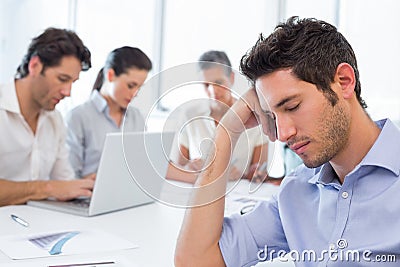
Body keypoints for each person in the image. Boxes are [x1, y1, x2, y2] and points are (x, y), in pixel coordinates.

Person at [175, 16, 400, 266]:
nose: (282, 134)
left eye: (292, 106)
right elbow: (195, 260)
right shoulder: (296, 192)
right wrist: (227, 131)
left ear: (344, 82)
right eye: (272, 116)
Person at [0, 27, 94, 206]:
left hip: (38, 226)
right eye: (62, 79)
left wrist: (84, 186)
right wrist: (47, 188)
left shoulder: (55, 120)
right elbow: (52, 187)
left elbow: (63, 183)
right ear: (35, 66)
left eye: (72, 82)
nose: (68, 92)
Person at [166, 50, 271, 184]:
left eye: (218, 82)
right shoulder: (189, 115)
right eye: (206, 84)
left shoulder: (254, 116)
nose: (212, 91)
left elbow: (258, 173)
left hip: (237, 191)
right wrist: (189, 169)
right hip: (200, 191)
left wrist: (252, 174)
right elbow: (180, 166)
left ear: (231, 78)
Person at [66, 46, 152, 178]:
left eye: (139, 88)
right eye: (131, 86)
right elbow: (67, 176)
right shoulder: (78, 117)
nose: (135, 94)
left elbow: (143, 163)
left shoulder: (137, 117)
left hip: (128, 193)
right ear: (110, 75)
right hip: (87, 195)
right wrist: (87, 181)